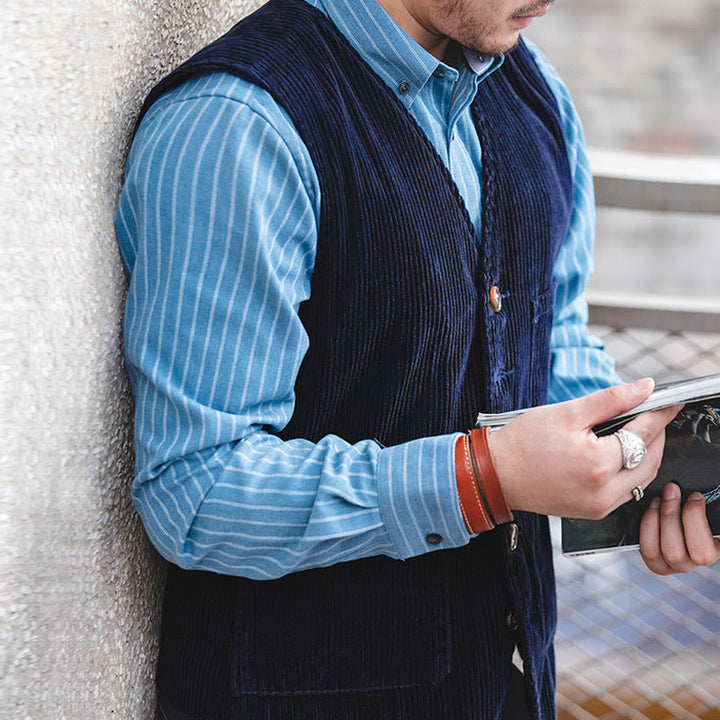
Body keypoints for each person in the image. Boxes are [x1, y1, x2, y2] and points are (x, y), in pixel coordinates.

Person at [115, 0, 720, 717]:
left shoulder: (534, 89)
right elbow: (196, 491)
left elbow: (549, 335)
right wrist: (483, 479)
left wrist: (645, 475)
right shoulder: (237, 126)